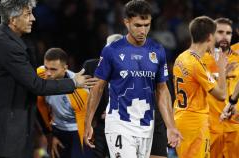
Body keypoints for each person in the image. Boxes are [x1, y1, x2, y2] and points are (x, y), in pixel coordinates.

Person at [0, 0, 97, 157]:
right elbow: (36, 85)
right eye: (28, 14)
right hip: (0, 141)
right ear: (12, 19)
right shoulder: (8, 46)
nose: (33, 18)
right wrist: (73, 82)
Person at [84, 1, 182, 158]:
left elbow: (162, 90)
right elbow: (97, 87)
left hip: (146, 125)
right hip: (119, 123)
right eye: (138, 25)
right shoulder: (112, 50)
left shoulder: (157, 50)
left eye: (146, 25)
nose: (143, 30)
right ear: (126, 22)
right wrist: (88, 122)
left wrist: (170, 126)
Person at [173, 16, 227, 158]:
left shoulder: (181, 57)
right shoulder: (196, 64)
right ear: (210, 37)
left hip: (181, 119)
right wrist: (221, 68)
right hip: (195, 124)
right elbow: (221, 95)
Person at [36, 48, 92, 158]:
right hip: (56, 129)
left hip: (76, 131)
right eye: (46, 67)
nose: (48, 73)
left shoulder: (80, 92)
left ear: (64, 69)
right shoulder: (40, 74)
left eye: (53, 69)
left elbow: (84, 125)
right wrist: (49, 135)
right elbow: (40, 105)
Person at [202, 17, 239, 158]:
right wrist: (221, 74)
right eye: (220, 32)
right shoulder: (200, 59)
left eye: (228, 33)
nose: (224, 36)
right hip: (211, 128)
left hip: (235, 128)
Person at [83, 34, 123, 158]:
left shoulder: (134, 69)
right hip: (97, 123)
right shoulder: (91, 66)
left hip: (122, 124)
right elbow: (83, 94)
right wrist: (89, 120)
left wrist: (114, 110)